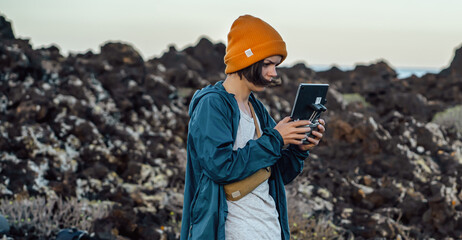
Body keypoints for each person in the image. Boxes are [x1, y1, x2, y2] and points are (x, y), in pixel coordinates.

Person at [180, 15, 326, 240]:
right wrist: (276, 139)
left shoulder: (257, 110)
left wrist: (299, 148)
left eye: (275, 65)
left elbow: (277, 175)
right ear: (245, 59)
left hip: (270, 231)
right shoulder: (213, 105)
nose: (273, 73)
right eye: (267, 64)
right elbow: (220, 167)